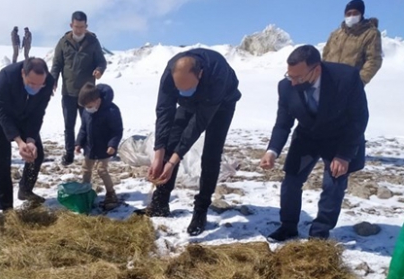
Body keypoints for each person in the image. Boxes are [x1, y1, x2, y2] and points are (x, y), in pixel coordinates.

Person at [260, 45, 369, 242]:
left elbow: (359, 119)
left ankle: (319, 233)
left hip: (340, 138)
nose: (293, 83)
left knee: (333, 184)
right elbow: (283, 123)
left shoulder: (345, 78)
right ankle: (288, 226)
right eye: (289, 76)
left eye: (298, 78)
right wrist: (272, 151)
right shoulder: (286, 86)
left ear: (316, 69)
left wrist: (344, 155)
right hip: (307, 137)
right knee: (291, 182)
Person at [139, 48, 241, 237]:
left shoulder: (217, 74)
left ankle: (201, 210)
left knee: (211, 154)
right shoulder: (171, 73)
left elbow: (197, 126)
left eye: (187, 88)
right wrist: (159, 155)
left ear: (200, 74)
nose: (183, 91)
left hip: (221, 104)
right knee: (170, 142)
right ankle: (160, 203)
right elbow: (164, 111)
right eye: (180, 89)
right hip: (189, 104)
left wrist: (172, 162)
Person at [0, 58, 54, 211]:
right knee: (2, 160)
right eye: (31, 83)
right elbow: (3, 113)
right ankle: (6, 208)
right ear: (23, 73)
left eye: (39, 85)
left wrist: (30, 140)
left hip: (25, 115)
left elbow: (38, 113)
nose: (35, 87)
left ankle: (25, 190)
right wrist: (19, 141)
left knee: (36, 154)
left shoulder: (48, 81)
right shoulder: (6, 76)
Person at [51, 11, 107, 166]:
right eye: (76, 27)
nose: (79, 30)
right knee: (69, 125)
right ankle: (69, 154)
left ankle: (90, 152)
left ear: (86, 26)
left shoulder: (93, 42)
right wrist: (53, 81)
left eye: (82, 27)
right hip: (68, 92)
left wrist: (99, 70)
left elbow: (101, 62)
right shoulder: (63, 43)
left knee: (88, 123)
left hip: (87, 93)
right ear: (71, 25)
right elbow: (56, 65)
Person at [74, 83, 123, 210]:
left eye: (89, 106)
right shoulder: (86, 111)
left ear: (98, 101)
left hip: (105, 147)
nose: (87, 109)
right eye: (85, 107)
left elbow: (117, 131)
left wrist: (112, 145)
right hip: (90, 146)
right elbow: (83, 128)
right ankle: (85, 191)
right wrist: (79, 143)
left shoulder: (111, 111)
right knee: (86, 169)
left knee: (102, 170)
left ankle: (111, 193)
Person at [322, 0, 382, 85]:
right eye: (348, 14)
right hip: (329, 83)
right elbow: (325, 56)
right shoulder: (336, 34)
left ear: (361, 14)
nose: (351, 16)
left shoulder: (370, 34)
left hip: (350, 85)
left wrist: (359, 81)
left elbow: (374, 60)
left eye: (355, 13)